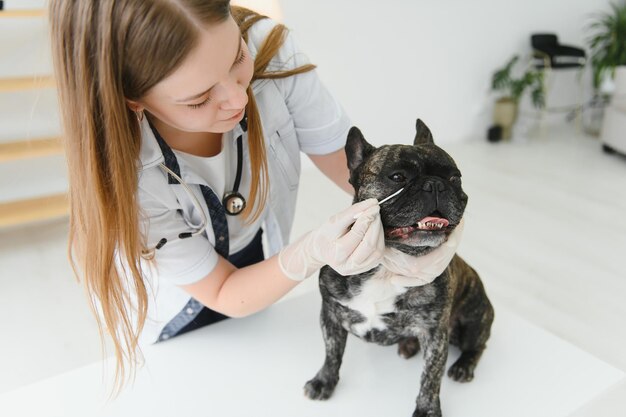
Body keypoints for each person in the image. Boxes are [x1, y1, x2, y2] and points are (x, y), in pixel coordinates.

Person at [48, 0, 462, 393]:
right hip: (177, 310)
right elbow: (225, 292)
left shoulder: (272, 49)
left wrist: (435, 210)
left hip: (260, 261)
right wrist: (308, 253)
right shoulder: (127, 176)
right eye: (198, 99)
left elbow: (357, 172)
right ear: (133, 100)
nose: (236, 98)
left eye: (237, 59)